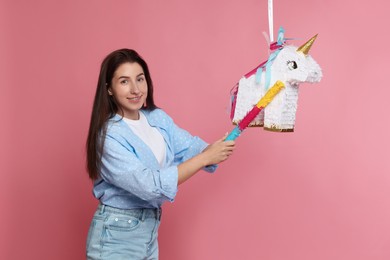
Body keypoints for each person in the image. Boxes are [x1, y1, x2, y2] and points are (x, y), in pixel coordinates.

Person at [85, 48, 235, 259]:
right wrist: (205, 158)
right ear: (109, 89)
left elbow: (189, 146)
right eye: (124, 81)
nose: (136, 89)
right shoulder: (108, 135)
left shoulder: (156, 118)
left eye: (140, 79)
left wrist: (219, 145)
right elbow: (149, 186)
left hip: (148, 233)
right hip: (115, 237)